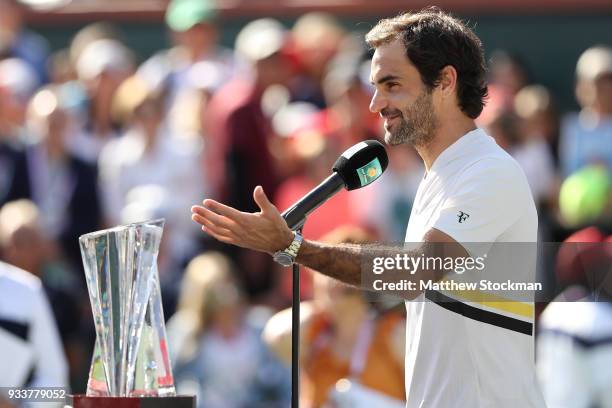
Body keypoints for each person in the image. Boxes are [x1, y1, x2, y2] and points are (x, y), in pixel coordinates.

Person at [192, 7, 545, 407]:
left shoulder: (488, 171)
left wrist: (296, 248)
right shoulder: (444, 177)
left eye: (392, 85)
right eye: (375, 86)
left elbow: (414, 271)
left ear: (446, 81)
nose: (376, 104)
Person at [263, 226, 405, 408]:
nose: (332, 279)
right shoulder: (314, 332)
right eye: (327, 270)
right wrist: (320, 304)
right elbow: (275, 335)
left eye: (341, 271)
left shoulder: (393, 333)